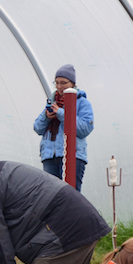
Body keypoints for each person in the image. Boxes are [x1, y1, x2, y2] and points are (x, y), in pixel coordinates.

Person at [33, 64, 94, 192]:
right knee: (50, 195)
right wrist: (47, 116)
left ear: (73, 84)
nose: (60, 87)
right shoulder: (52, 102)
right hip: (50, 156)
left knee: (70, 194)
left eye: (64, 83)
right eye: (57, 83)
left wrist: (61, 113)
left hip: (73, 155)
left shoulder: (82, 103)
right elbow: (37, 127)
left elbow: (85, 128)